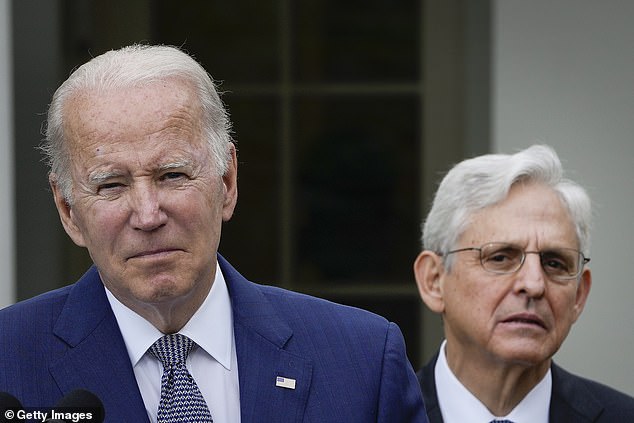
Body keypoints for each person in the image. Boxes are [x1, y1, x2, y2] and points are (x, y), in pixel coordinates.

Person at [0, 44, 427, 423]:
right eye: (112, 185)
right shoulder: (9, 361)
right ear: (68, 209)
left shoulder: (362, 362)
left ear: (226, 183)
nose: (148, 215)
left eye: (172, 175)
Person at [413, 145, 634, 422]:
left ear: (579, 294)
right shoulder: (377, 413)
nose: (534, 284)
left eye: (554, 263)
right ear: (434, 280)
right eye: (501, 257)